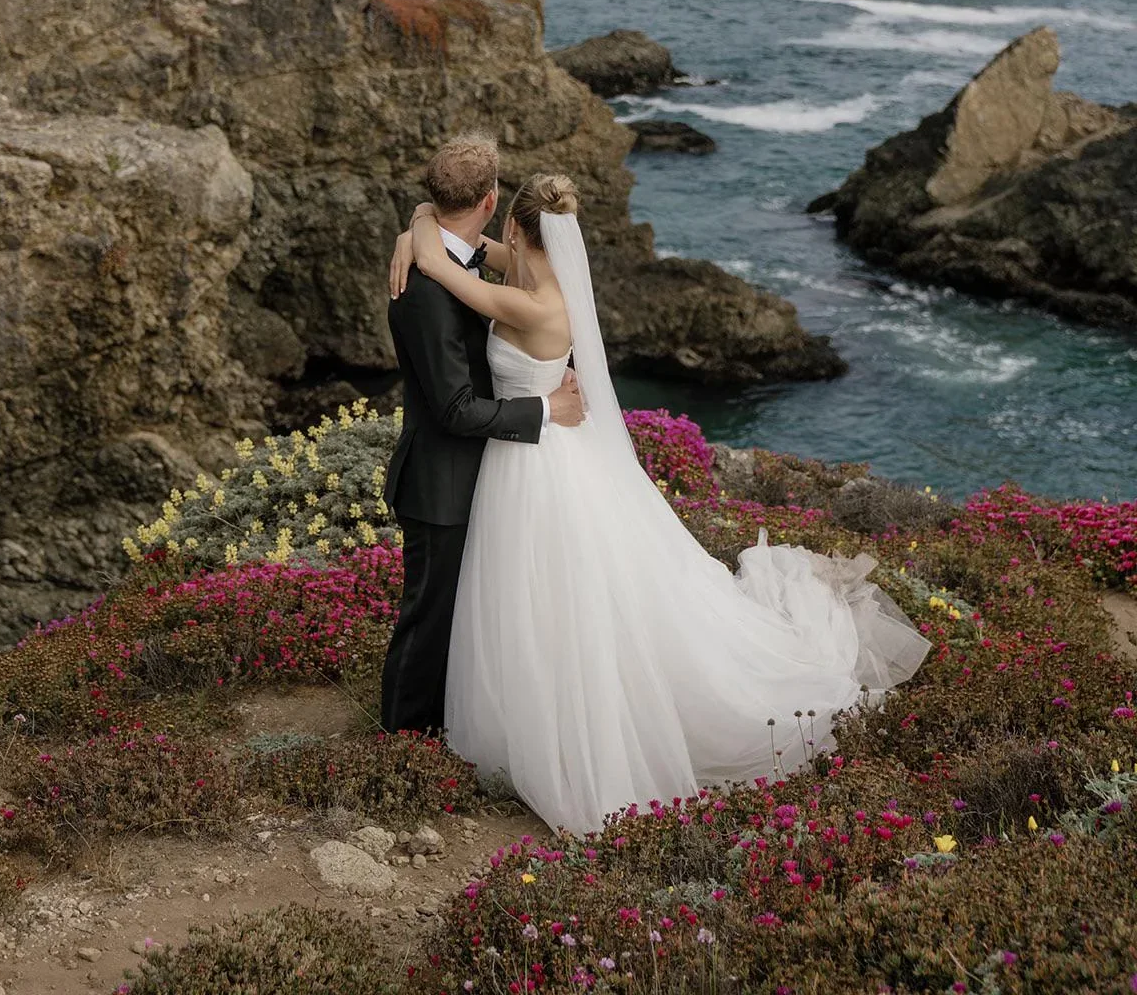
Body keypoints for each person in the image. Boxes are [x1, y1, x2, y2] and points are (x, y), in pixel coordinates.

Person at [390, 170, 932, 836]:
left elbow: (440, 268)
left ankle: (551, 725)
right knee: (540, 595)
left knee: (544, 594)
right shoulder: (534, 277)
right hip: (538, 451)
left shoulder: (532, 305)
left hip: (537, 461)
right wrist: (423, 216)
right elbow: (460, 256)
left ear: (511, 227)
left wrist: (421, 223)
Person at [379, 135, 583, 737]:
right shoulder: (424, 290)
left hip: (496, 473)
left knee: (490, 612)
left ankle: (467, 725)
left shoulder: (479, 262)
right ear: (490, 201)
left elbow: (451, 257)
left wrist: (417, 220)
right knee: (429, 616)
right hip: (442, 479)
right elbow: (454, 409)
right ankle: (399, 742)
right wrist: (545, 408)